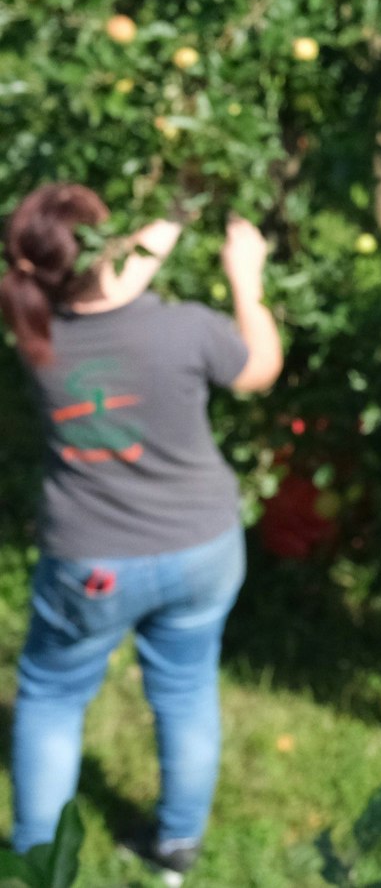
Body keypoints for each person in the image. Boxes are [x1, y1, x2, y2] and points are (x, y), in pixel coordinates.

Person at [1, 187, 282, 884]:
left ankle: (39, 859)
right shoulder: (187, 329)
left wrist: (178, 212)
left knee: (53, 696)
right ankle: (177, 847)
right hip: (202, 547)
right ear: (106, 250)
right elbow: (261, 370)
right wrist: (247, 279)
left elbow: (112, 280)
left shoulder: (36, 336)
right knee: (185, 690)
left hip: (92, 564)